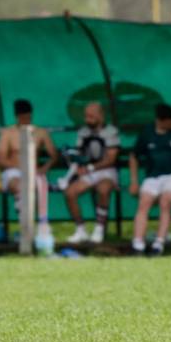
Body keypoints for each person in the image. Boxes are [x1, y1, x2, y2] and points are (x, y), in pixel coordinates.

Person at [129, 104, 171, 255]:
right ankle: (138, 244)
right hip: (153, 176)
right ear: (160, 121)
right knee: (144, 202)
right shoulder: (147, 133)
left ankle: (159, 243)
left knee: (166, 200)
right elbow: (134, 156)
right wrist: (134, 181)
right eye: (169, 121)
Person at [62, 102, 120, 244]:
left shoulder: (111, 131)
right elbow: (79, 154)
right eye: (86, 116)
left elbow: (111, 159)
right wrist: (79, 166)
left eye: (92, 116)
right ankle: (81, 230)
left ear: (101, 116)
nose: (88, 119)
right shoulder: (83, 132)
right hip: (89, 172)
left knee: (103, 189)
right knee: (70, 193)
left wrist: (91, 168)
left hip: (107, 172)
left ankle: (99, 228)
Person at [0, 99, 57, 231]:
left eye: (28, 116)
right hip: (13, 171)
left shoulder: (40, 132)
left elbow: (54, 156)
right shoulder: (8, 133)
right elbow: (1, 159)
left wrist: (43, 169)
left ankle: (35, 228)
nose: (26, 119)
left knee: (33, 186)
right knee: (18, 185)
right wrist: (20, 168)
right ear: (17, 116)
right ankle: (26, 229)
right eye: (23, 117)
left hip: (34, 173)